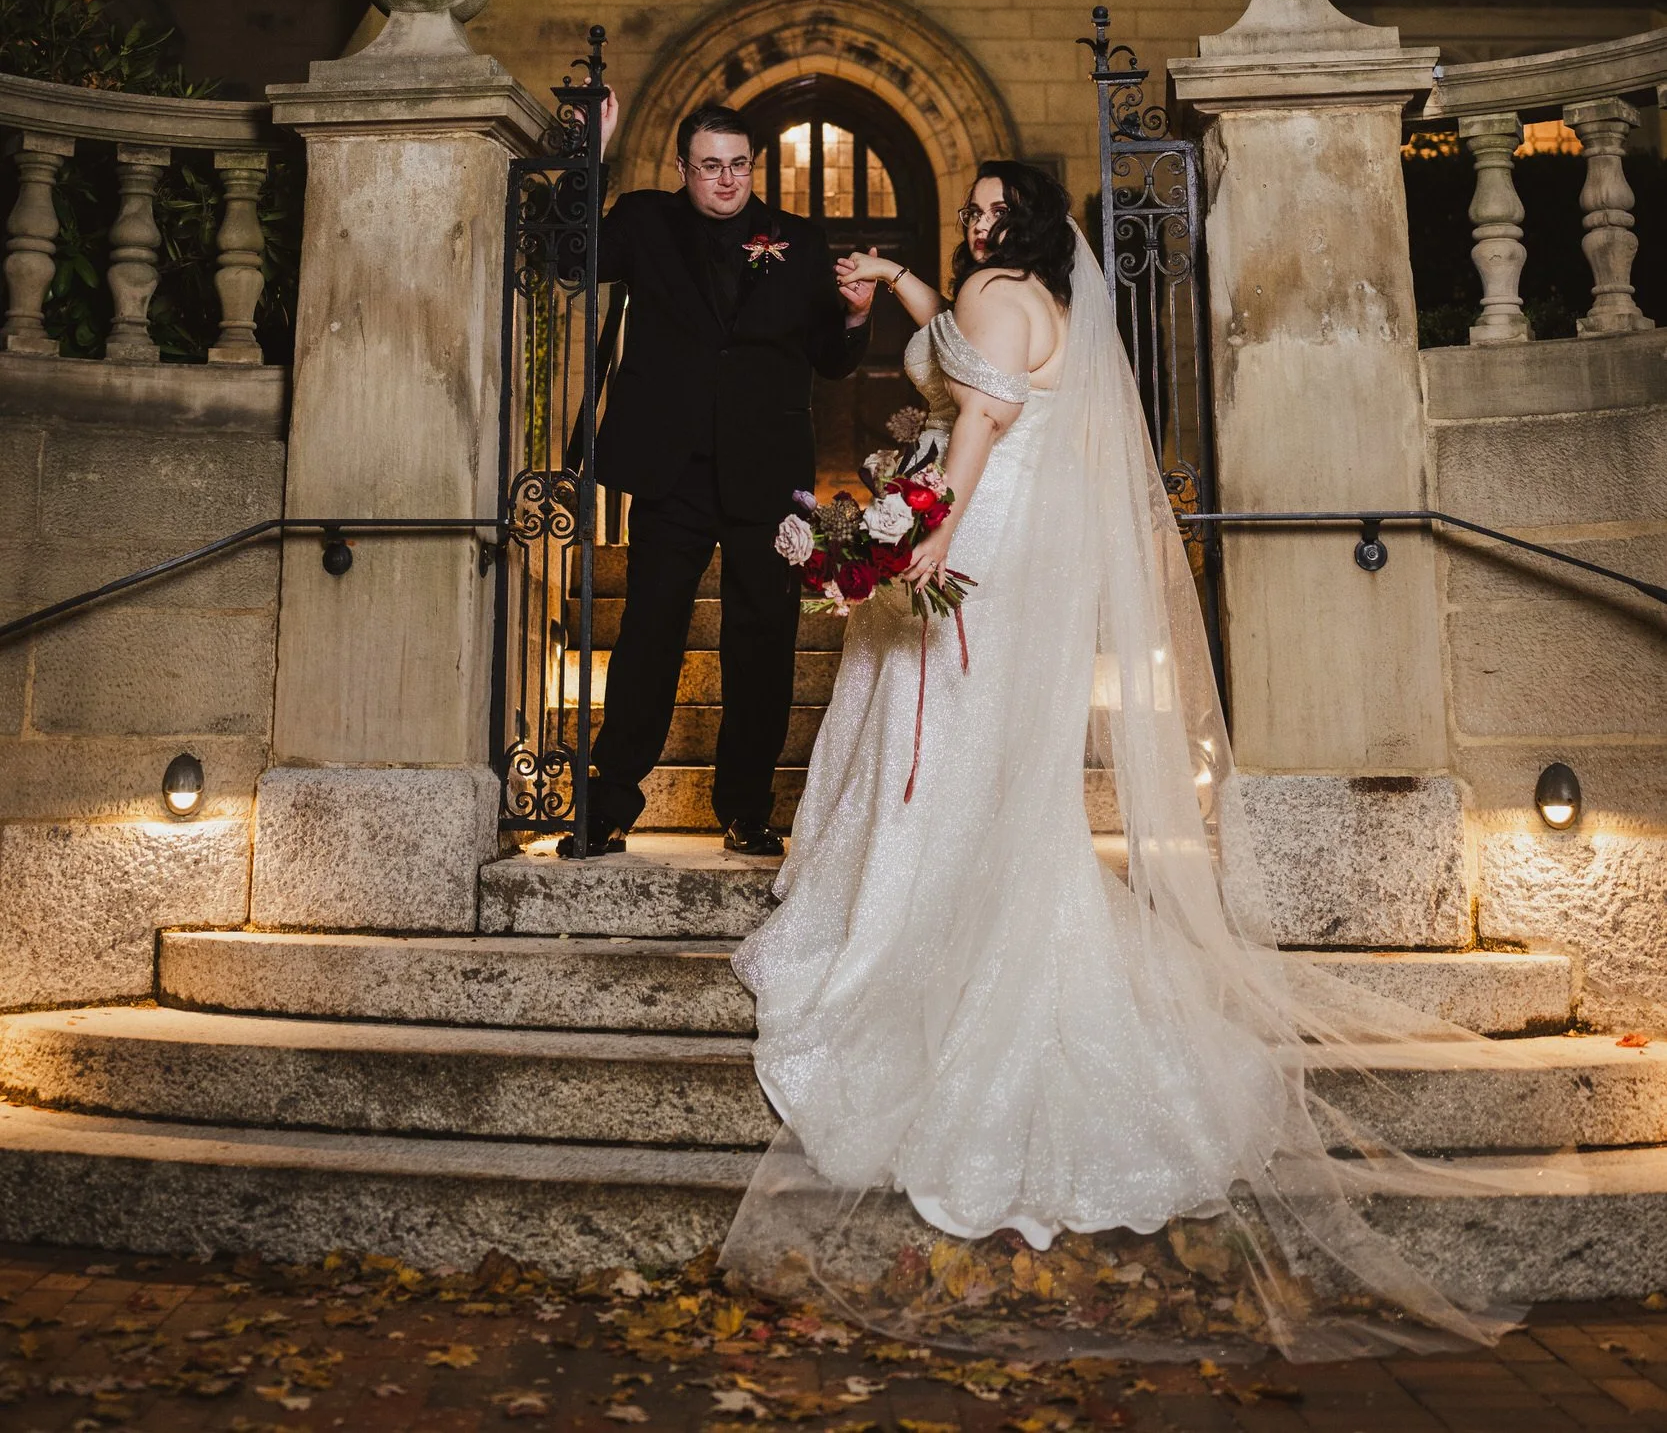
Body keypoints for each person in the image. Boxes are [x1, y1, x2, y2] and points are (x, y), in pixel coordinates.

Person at [723, 161, 1540, 1358]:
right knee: (965, 745)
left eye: (987, 206)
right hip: (1001, 547)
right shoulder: (1021, 298)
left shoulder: (1000, 293)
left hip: (976, 541)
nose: (971, 218)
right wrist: (900, 281)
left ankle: (903, 925)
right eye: (970, 205)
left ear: (1023, 225)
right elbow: (960, 352)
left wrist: (911, 538)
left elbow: (981, 430)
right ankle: (924, 886)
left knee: (937, 732)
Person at [568, 94, 876, 859]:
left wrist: (854, 318)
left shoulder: (800, 243)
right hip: (670, 471)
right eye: (710, 166)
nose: (727, 180)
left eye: (739, 165)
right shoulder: (644, 221)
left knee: (761, 641)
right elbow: (569, 259)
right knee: (647, 635)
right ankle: (609, 805)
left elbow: (831, 364)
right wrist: (587, 157)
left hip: (767, 476)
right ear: (683, 168)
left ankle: (745, 808)